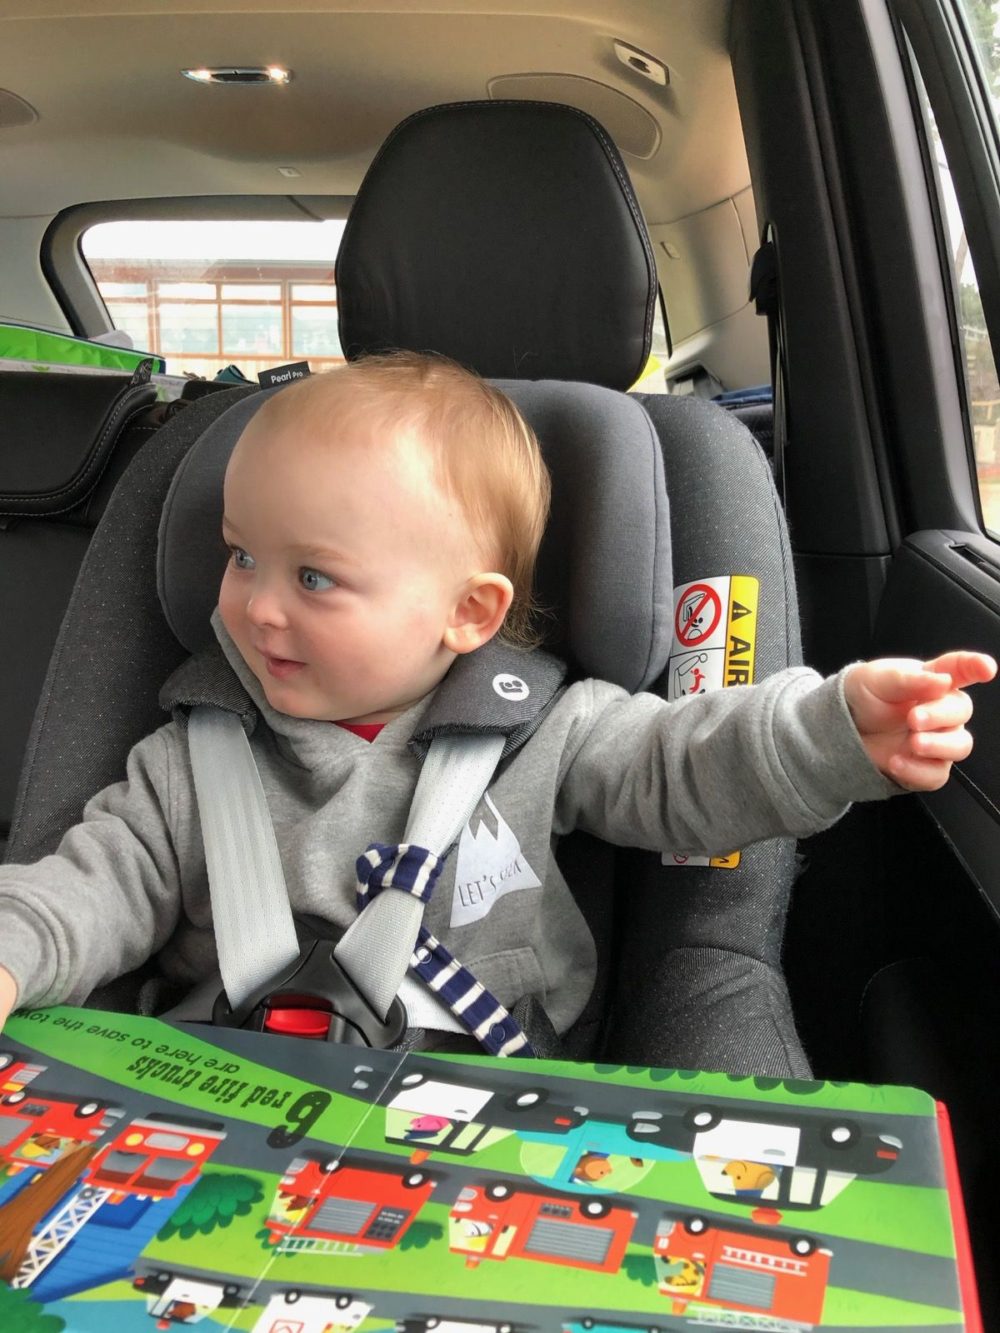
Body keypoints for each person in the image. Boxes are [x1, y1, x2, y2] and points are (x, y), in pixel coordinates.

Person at [0, 352, 993, 1055]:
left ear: (468, 613)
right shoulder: (190, 756)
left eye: (314, 580)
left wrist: (830, 732)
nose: (255, 603)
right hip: (228, 1089)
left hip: (481, 1113)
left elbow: (684, 765)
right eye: (242, 553)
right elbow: (81, 891)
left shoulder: (544, 732)